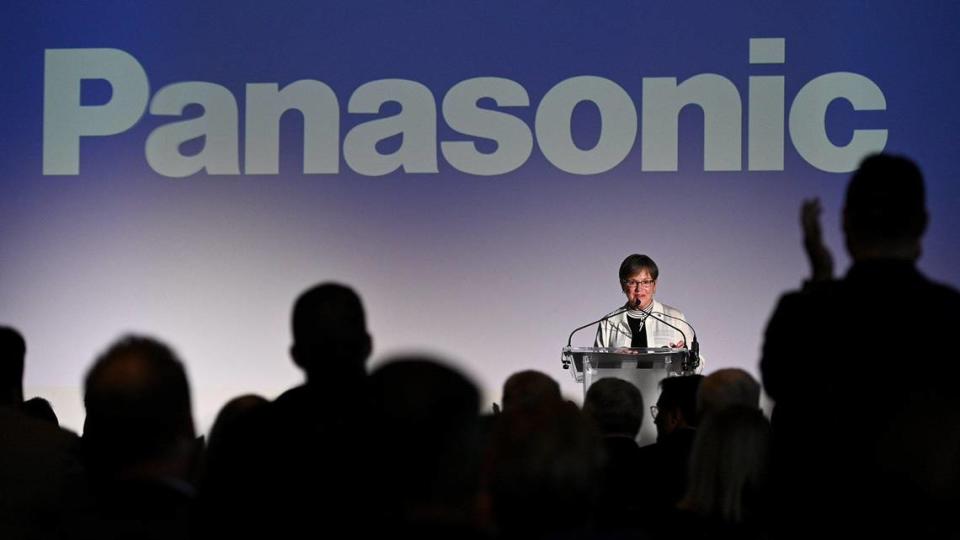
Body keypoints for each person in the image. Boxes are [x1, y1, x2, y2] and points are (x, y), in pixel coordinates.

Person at [760, 154, 960, 538]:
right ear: (923, 224)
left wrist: (820, 279)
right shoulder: (953, 317)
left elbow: (783, 388)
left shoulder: (802, 315)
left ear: (845, 221)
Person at [595, 254, 692, 351]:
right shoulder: (609, 322)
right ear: (623, 285)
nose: (639, 289)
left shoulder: (676, 318)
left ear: (654, 285)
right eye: (632, 282)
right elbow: (594, 364)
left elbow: (698, 362)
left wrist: (685, 356)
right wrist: (616, 359)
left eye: (645, 282)